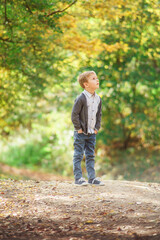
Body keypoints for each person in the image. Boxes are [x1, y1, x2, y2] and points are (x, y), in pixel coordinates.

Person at [71, 71, 105, 186]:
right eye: (94, 78)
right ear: (86, 84)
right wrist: (78, 128)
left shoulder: (98, 99)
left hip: (92, 132)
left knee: (90, 155)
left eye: (97, 78)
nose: (97, 80)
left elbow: (98, 115)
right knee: (78, 155)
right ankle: (78, 178)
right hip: (81, 133)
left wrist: (97, 128)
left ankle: (92, 178)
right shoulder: (81, 98)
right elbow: (74, 115)